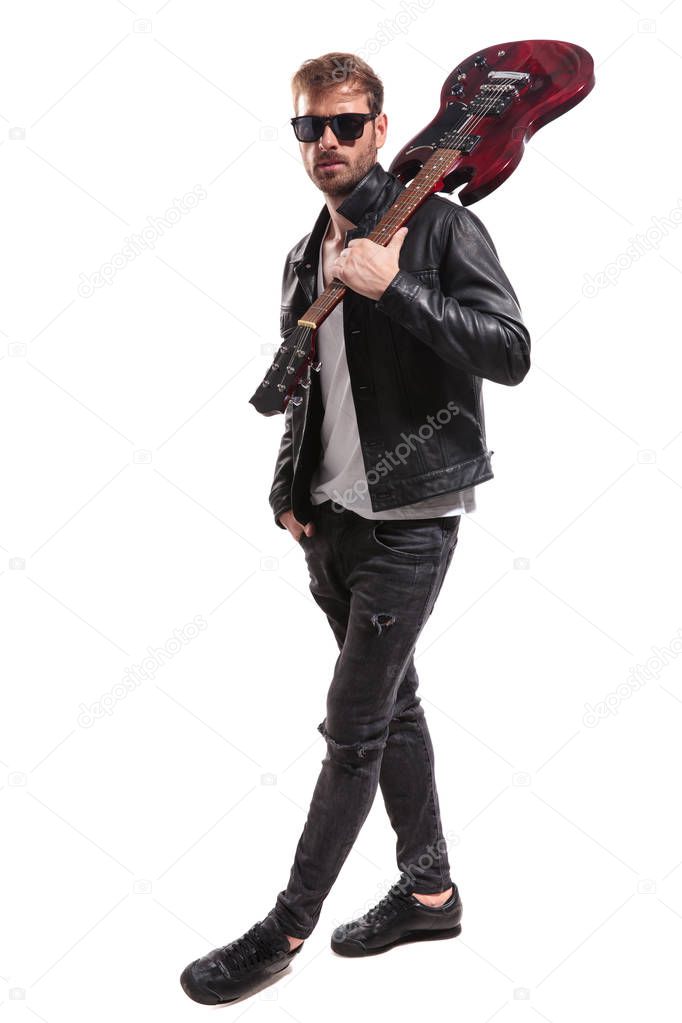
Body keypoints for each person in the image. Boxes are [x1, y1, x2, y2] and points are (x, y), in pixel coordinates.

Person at [180, 51, 531, 1005]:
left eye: (345, 123)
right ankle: (430, 890)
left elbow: (511, 352)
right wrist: (288, 488)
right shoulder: (305, 252)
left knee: (353, 728)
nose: (326, 142)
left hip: (412, 521)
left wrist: (396, 288)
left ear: (382, 128)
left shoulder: (441, 229)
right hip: (330, 527)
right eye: (309, 128)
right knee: (394, 711)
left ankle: (284, 927)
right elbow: (311, 384)